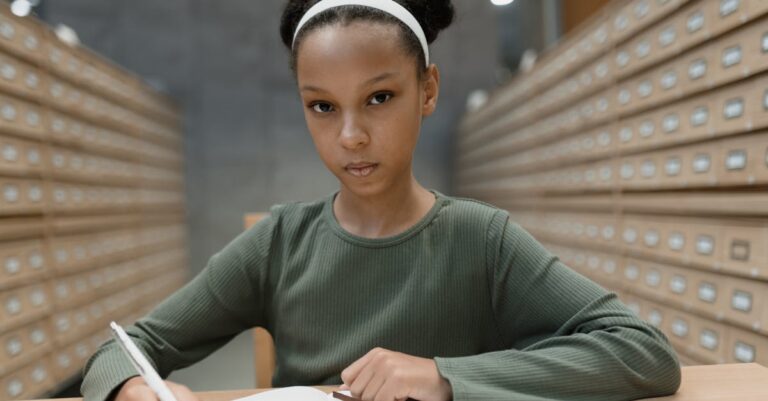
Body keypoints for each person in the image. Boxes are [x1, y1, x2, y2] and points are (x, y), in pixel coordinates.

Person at [81, 1, 682, 400]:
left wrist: (445, 376)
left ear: (427, 90)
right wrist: (134, 388)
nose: (350, 136)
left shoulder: (481, 239)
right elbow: (122, 349)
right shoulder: (278, 243)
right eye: (322, 106)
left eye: (378, 98)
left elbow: (644, 352)